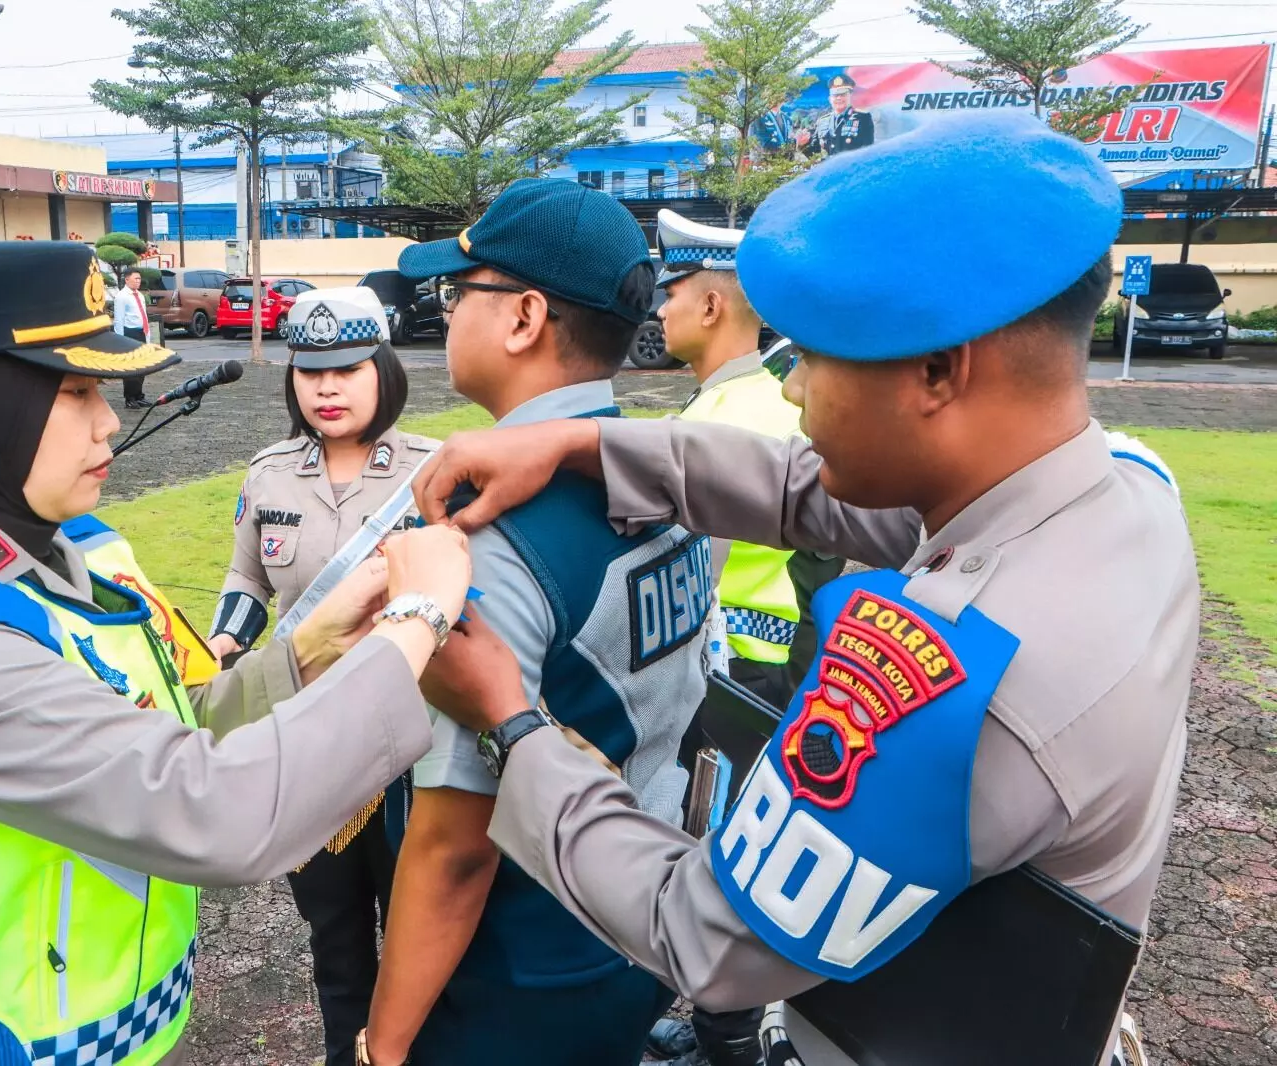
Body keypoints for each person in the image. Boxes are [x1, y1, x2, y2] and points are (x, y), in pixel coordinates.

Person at [408, 113, 1194, 1066]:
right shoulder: (1113, 487)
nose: (789, 392)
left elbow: (703, 933)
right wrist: (578, 441)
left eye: (815, 359)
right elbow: (799, 491)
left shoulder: (960, 685)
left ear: (938, 370)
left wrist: (510, 722)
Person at [0, 240, 489, 1066]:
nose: (111, 420)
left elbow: (175, 725)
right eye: (77, 390)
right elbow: (215, 810)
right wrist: (417, 618)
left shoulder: (47, 552)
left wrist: (308, 647)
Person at [359, 178, 710, 1066]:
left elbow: (454, 851)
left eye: (458, 292)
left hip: (510, 972)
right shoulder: (669, 481)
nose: (445, 312)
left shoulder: (486, 537)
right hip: (635, 921)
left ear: (521, 317)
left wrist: (386, 1047)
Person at [207, 286, 434, 1066]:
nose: (327, 389)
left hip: (412, 744)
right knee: (334, 933)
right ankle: (348, 1052)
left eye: (347, 370)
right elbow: (247, 582)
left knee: (419, 927)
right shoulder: (270, 474)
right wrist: (225, 648)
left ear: (384, 370)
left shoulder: (432, 474)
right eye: (310, 372)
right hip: (310, 737)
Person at [648, 208, 848, 1066]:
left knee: (730, 851)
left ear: (712, 304)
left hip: (747, 672)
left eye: (672, 293)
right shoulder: (737, 396)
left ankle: (726, 1034)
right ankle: (712, 1019)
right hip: (748, 662)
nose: (657, 312)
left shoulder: (741, 412)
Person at [798, 74, 874, 157]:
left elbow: (868, 152)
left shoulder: (862, 118)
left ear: (850, 96)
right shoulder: (822, 122)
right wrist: (803, 144)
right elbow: (814, 154)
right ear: (830, 99)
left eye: (843, 94)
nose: (839, 98)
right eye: (835, 95)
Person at [112, 266, 153, 408]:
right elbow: (119, 320)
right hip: (129, 334)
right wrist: (120, 341)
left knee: (142, 367)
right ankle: (130, 397)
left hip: (141, 333)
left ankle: (138, 395)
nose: (138, 281)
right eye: (136, 278)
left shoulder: (140, 295)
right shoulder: (121, 297)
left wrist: (147, 335)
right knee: (131, 368)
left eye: (139, 279)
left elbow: (144, 316)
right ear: (127, 279)